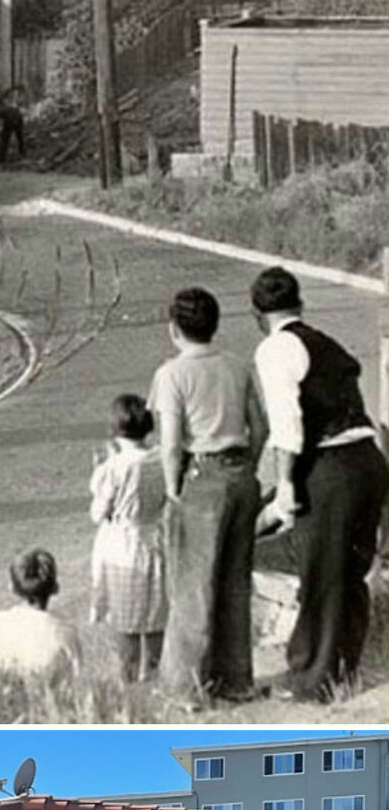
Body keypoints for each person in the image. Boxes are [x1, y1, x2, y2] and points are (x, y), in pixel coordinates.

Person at [252, 265, 389, 701]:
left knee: (321, 574)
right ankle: (343, 669)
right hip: (368, 461)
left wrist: (286, 485)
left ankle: (310, 680)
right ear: (299, 305)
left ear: (258, 313)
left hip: (330, 466)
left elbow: (287, 425)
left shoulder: (275, 349)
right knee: (351, 573)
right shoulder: (325, 342)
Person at [149, 287, 267, 702]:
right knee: (236, 581)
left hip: (201, 476)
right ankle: (236, 680)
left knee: (192, 586)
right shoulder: (238, 365)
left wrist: (172, 488)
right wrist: (248, 466)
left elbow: (170, 442)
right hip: (240, 476)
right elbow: (261, 425)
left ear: (173, 329)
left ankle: (186, 689)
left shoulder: (171, 374)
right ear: (214, 326)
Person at [90, 393, 167, 685]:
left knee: (127, 621)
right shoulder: (161, 457)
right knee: (157, 614)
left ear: (115, 429)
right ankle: (156, 674)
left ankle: (129, 679)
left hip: (123, 544)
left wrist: (102, 468)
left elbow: (99, 513)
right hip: (156, 539)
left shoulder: (112, 468)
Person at [0, 549, 81, 678]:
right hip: (48, 696)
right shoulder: (66, 634)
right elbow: (77, 679)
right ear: (55, 588)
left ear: (12, 588)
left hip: (3, 695)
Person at [0, 87, 26, 164]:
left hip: (11, 120)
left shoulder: (3, 107)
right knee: (20, 138)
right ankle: (23, 154)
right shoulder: (10, 105)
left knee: (5, 139)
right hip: (17, 118)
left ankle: (1, 158)